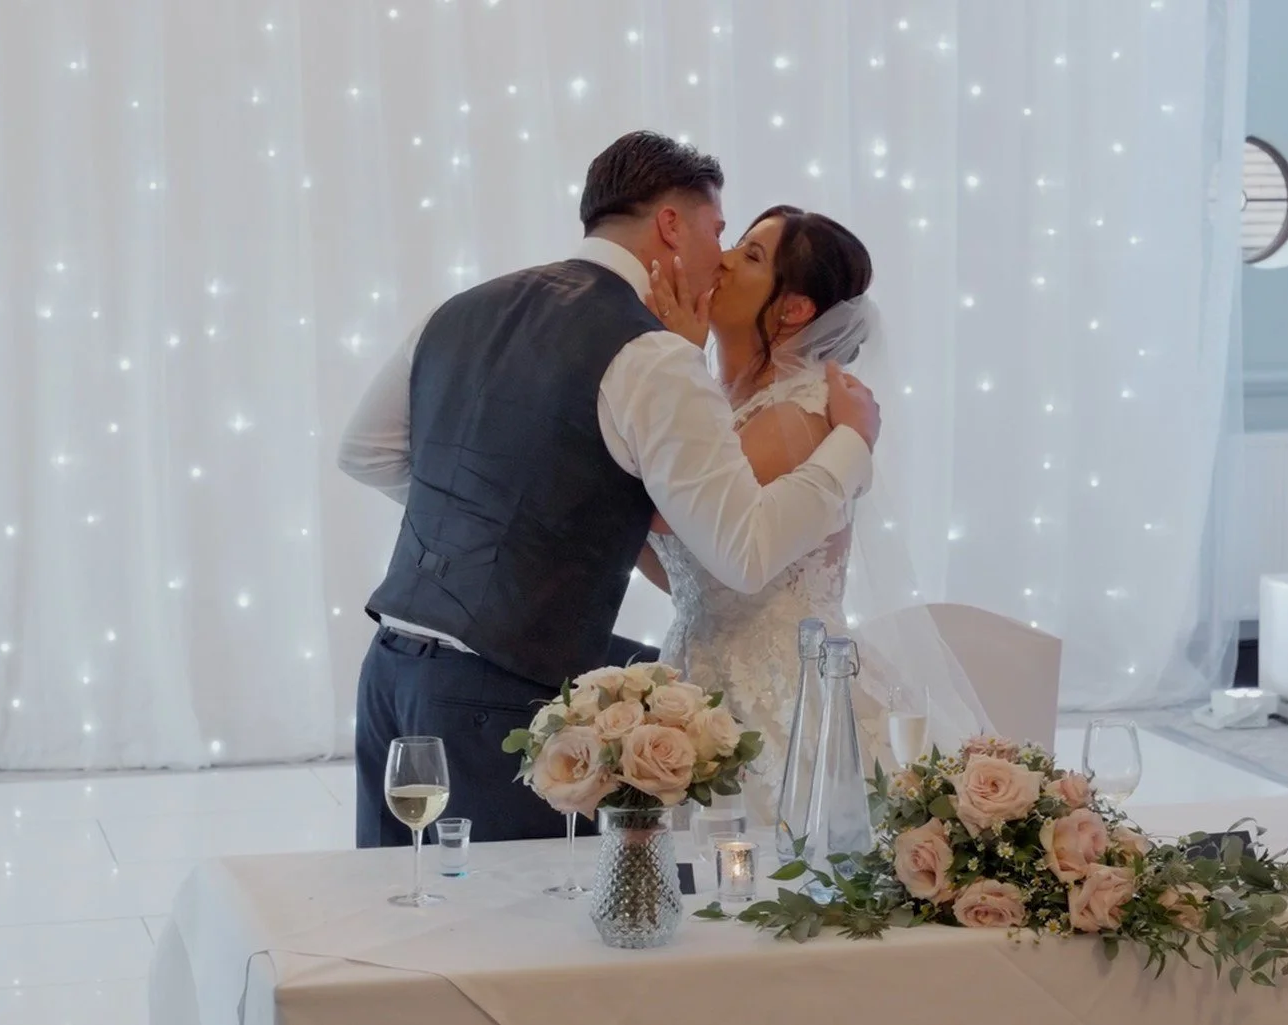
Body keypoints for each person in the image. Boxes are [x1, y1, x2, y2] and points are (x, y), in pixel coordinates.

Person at [335, 131, 884, 847]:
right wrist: (852, 446)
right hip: (497, 690)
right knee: (511, 939)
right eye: (719, 231)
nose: (718, 254)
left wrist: (491, 517)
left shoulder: (464, 306)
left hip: (391, 670)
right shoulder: (652, 355)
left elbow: (366, 452)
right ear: (669, 224)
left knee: (397, 917)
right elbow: (744, 551)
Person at [633, 205, 992, 823]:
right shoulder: (716, 403)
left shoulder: (799, 412)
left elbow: (671, 514)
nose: (720, 259)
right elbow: (689, 566)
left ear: (794, 308)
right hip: (695, 671)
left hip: (782, 691)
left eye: (750, 256)